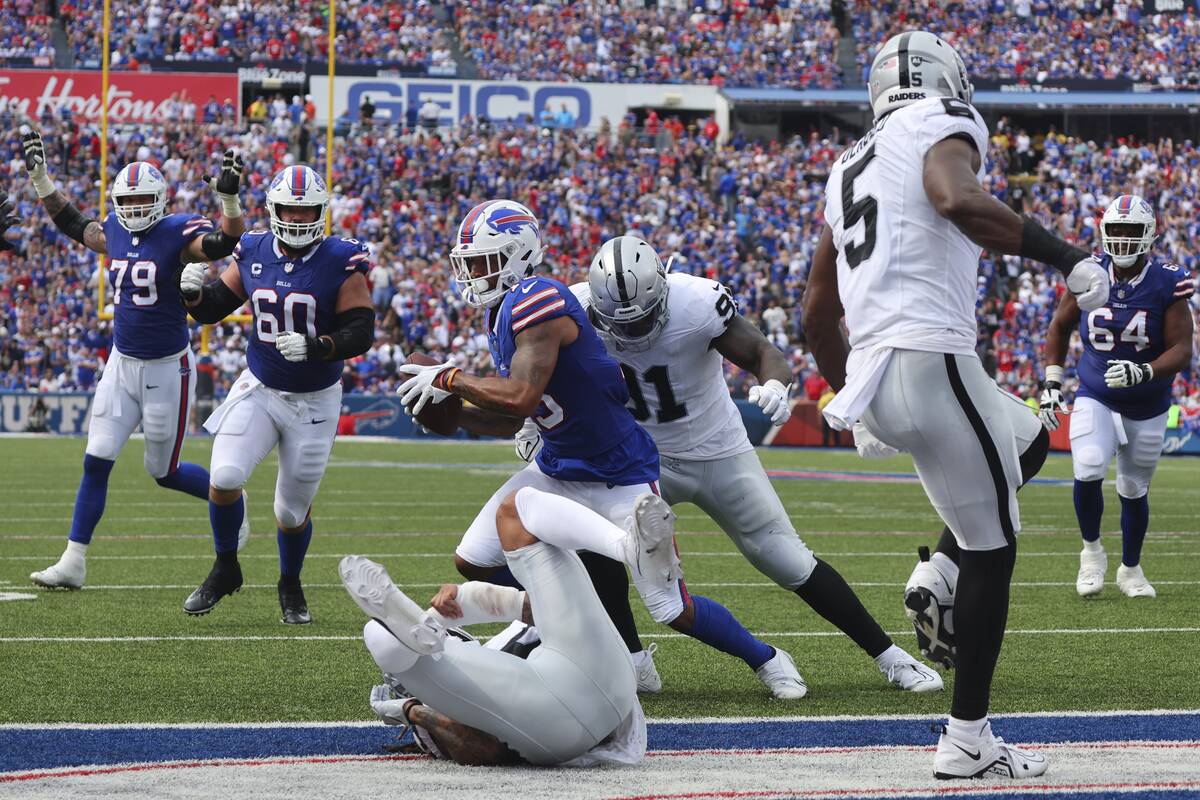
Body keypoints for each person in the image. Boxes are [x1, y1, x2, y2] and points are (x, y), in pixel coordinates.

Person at [802, 31, 1109, 780]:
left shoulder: (844, 166)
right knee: (995, 548)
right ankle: (967, 738)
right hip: (931, 358)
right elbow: (954, 197)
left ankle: (938, 573)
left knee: (1029, 437)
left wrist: (850, 397)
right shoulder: (943, 119)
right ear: (947, 79)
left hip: (881, 375)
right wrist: (1069, 258)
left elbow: (815, 310)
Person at [396, 200, 805, 699]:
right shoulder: (504, 311)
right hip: (558, 468)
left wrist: (452, 377)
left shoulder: (538, 298)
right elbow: (512, 417)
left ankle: (767, 658)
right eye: (471, 262)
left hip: (619, 472)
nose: (474, 273)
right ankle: (567, 615)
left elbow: (522, 395)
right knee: (474, 559)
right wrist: (448, 411)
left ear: (519, 254)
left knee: (670, 607)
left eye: (484, 261)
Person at [543, 235, 942, 694]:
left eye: (645, 319)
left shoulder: (696, 303)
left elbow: (763, 354)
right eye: (620, 324)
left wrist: (774, 384)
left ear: (663, 292)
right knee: (597, 544)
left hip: (718, 449)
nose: (633, 334)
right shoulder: (571, 309)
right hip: (639, 460)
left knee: (787, 560)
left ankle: (889, 656)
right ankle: (634, 660)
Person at [21, 129, 249, 591]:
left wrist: (229, 201)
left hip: (167, 368)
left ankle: (231, 499)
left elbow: (225, 244)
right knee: (96, 458)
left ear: (161, 200)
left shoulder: (177, 231)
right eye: (128, 200)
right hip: (121, 364)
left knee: (162, 472)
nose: (135, 208)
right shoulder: (116, 231)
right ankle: (73, 560)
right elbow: (72, 222)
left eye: (144, 199)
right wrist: (42, 179)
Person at [341, 484, 670, 766]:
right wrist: (417, 712)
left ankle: (630, 549)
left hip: (567, 710)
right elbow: (487, 749)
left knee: (517, 508)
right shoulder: (455, 692)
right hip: (605, 689)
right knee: (383, 634)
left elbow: (528, 608)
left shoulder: (477, 664)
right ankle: (417, 638)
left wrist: (464, 599)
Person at [178, 165, 375, 623]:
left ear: (322, 212)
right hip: (261, 387)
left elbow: (361, 331)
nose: (299, 217)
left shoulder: (340, 259)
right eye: (290, 208)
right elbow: (213, 309)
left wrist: (319, 345)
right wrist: (189, 294)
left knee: (290, 511)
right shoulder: (253, 249)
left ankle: (290, 581)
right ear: (273, 210)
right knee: (224, 477)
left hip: (314, 401)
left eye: (307, 210)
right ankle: (226, 567)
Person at [1039, 194, 1195, 599]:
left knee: (1132, 487)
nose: (1123, 240)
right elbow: (1059, 327)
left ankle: (1131, 569)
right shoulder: (1088, 273)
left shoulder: (1167, 281)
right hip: (1097, 391)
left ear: (1149, 235)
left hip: (1148, 401)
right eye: (1116, 231)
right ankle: (1091, 554)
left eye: (1131, 231)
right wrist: (1052, 382)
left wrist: (1144, 369)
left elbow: (1182, 349)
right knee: (1088, 467)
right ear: (1104, 232)